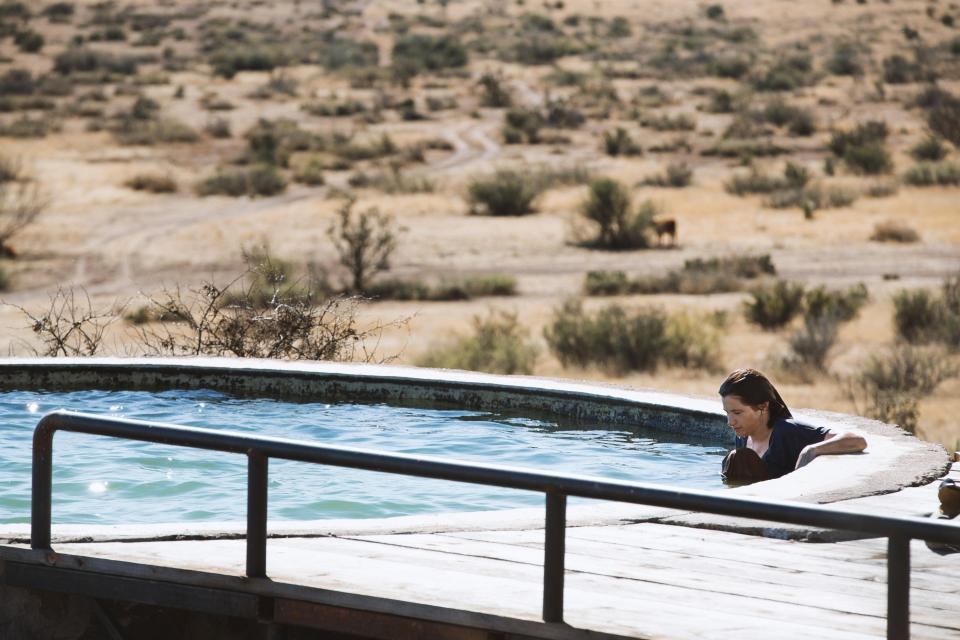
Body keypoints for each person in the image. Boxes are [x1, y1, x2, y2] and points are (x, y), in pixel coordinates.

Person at [719, 368, 867, 482]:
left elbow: (857, 440)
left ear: (763, 406)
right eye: (728, 413)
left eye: (737, 413)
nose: (730, 422)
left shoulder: (786, 432)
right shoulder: (742, 437)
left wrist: (811, 450)